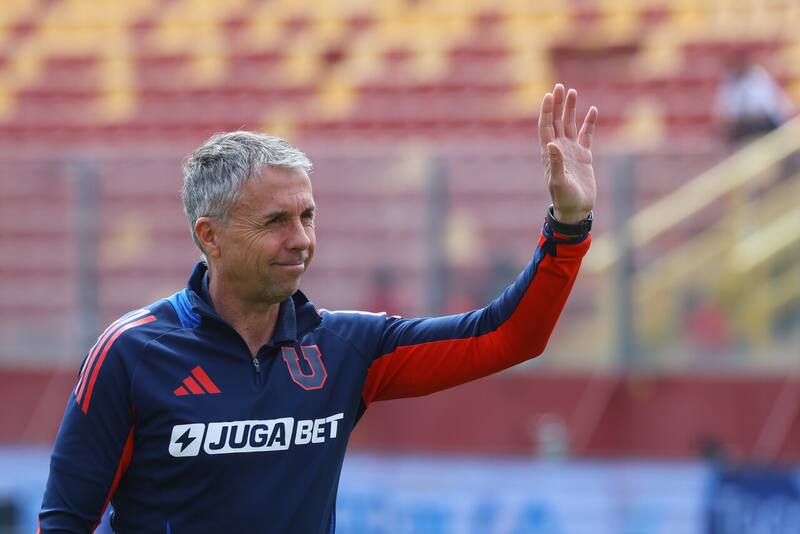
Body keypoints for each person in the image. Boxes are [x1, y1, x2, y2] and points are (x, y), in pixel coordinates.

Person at [39, 84, 597, 533]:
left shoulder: (346, 348)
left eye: (307, 216)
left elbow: (510, 336)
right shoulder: (132, 352)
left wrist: (568, 227)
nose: (301, 239)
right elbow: (65, 521)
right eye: (276, 222)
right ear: (210, 236)